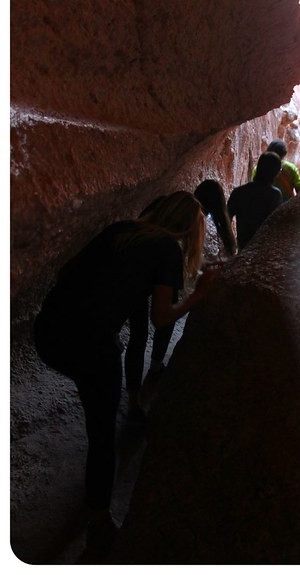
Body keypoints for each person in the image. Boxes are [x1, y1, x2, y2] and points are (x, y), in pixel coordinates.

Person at [33, 192, 218, 555]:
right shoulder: (166, 248)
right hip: (88, 344)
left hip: (47, 332)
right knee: (103, 438)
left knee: (98, 387)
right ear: (187, 227)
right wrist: (201, 295)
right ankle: (99, 524)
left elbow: (65, 273)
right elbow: (161, 317)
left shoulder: (121, 230)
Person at [125, 181, 236, 418]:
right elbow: (162, 314)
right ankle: (154, 367)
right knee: (161, 318)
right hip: (146, 274)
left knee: (138, 333)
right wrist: (198, 290)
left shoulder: (163, 209)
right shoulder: (179, 230)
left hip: (135, 273)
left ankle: (134, 398)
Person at [230, 152, 284, 250]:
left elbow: (226, 220)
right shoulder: (274, 195)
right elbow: (277, 227)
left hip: (244, 247)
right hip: (264, 250)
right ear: (276, 173)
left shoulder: (239, 192)